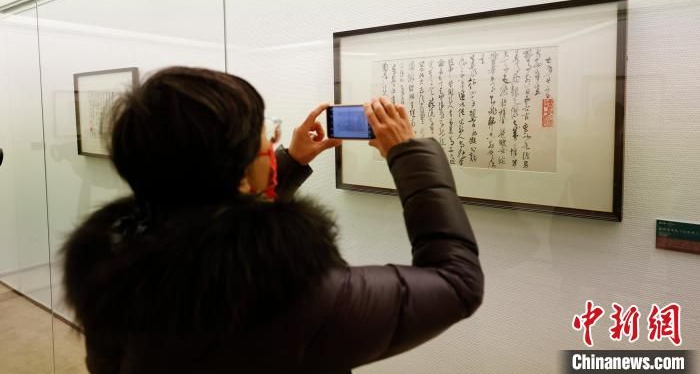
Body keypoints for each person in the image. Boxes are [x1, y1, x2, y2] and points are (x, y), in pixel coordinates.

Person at [62, 66, 484, 374]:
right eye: (263, 135)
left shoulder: (112, 265)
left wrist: (291, 161)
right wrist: (408, 154)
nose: (273, 140)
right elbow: (456, 284)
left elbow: (211, 223)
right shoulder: (296, 291)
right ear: (244, 173)